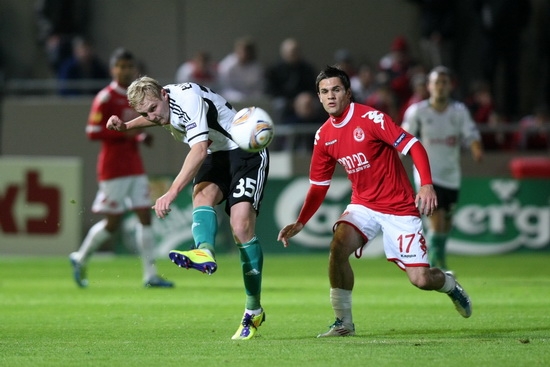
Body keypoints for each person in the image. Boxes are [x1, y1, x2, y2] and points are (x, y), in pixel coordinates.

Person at [278, 66, 472, 338]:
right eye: (324, 92)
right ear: (319, 97)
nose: (330, 96)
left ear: (347, 93)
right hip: (363, 205)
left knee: (421, 280)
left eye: (336, 90)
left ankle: (450, 285)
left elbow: (414, 145)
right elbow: (318, 186)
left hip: (399, 208)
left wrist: (426, 184)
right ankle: (343, 322)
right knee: (338, 247)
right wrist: (301, 221)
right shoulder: (323, 136)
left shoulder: (370, 118)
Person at [106, 76, 269, 341]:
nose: (151, 116)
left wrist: (171, 192)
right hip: (218, 152)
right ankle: (204, 250)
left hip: (244, 150)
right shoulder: (162, 103)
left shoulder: (188, 99)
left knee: (240, 227)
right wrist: (126, 126)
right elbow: (159, 116)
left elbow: (199, 149)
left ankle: (253, 310)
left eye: (152, 108)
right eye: (144, 112)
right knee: (202, 196)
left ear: (163, 94)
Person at [69, 48, 174, 289]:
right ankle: (80, 257)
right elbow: (92, 131)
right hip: (113, 168)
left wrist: (139, 138)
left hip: (134, 165)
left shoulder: (135, 97)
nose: (125, 71)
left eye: (129, 66)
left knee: (145, 216)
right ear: (112, 69)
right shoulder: (105, 97)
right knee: (112, 223)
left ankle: (150, 276)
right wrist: (125, 133)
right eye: (121, 66)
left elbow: (133, 128)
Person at [402, 66, 483, 271]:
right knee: (436, 219)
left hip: (451, 174)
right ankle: (435, 265)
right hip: (427, 174)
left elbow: (471, 134)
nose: (440, 87)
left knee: (446, 222)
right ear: (429, 86)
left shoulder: (459, 111)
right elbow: (402, 137)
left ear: (450, 86)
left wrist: (476, 150)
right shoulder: (417, 112)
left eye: (444, 83)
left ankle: (437, 256)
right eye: (436, 82)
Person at [265, 38, 317, 123]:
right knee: (279, 105)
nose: (293, 54)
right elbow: (271, 90)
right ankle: (280, 134)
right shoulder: (274, 69)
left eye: (296, 51)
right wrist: (292, 102)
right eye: (291, 51)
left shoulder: (307, 68)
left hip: (303, 100)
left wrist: (306, 96)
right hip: (284, 100)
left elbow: (313, 86)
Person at [217, 36, 265, 102]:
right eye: (243, 51)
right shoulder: (227, 66)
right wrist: (240, 96)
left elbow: (258, 87)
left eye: (248, 51)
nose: (245, 54)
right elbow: (225, 87)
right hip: (231, 98)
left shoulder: (256, 67)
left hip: (251, 98)